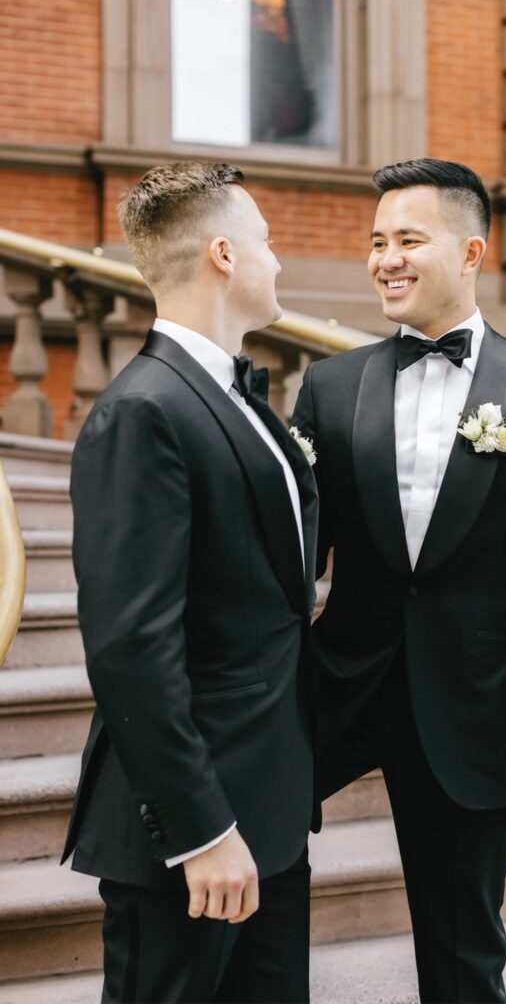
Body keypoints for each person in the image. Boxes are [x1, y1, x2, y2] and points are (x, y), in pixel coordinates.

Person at [292, 158, 506, 1004]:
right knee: (232, 873)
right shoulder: (326, 387)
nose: (385, 259)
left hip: (476, 706)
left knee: (463, 957)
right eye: (375, 242)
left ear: (469, 252)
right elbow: (288, 562)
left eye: (408, 239)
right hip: (333, 690)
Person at [61, 161, 320, 1003]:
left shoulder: (240, 400)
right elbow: (132, 647)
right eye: (267, 243)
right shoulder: (143, 411)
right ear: (222, 254)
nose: (277, 261)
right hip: (193, 835)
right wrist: (201, 830)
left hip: (271, 821)